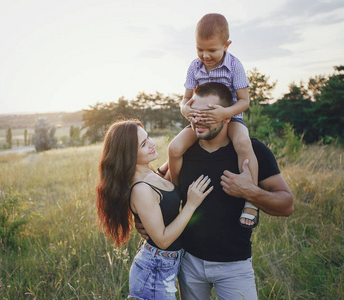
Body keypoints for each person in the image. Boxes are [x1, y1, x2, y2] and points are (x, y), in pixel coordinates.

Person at [140, 82, 294, 299]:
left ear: (227, 116)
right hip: (189, 263)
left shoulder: (253, 151)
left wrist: (251, 192)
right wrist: (144, 223)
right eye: (195, 113)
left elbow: (287, 205)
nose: (198, 119)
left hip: (235, 267)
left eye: (208, 113)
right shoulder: (183, 153)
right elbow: (161, 200)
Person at [96, 119, 214, 300]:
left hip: (165, 266)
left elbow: (180, 146)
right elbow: (163, 240)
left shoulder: (150, 173)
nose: (152, 144)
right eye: (144, 144)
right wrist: (191, 204)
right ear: (128, 154)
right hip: (153, 273)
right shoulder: (141, 189)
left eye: (148, 137)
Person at [168, 13, 259, 228]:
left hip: (230, 119)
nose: (205, 55)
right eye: (200, 49)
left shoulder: (235, 66)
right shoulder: (194, 67)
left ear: (226, 45)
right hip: (199, 120)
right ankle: (175, 190)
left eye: (212, 50)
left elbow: (244, 101)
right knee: (174, 148)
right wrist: (184, 109)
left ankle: (251, 199)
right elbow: (186, 98)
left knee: (243, 144)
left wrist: (224, 113)